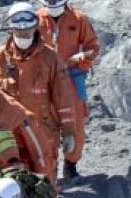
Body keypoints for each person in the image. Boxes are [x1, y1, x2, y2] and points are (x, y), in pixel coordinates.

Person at [0, 2, 77, 190]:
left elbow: (63, 97)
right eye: (19, 33)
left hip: (42, 133)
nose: (23, 36)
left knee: (44, 187)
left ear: (35, 28)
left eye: (27, 32)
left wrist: (68, 131)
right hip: (8, 137)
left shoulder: (50, 58)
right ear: (11, 31)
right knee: (7, 186)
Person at [37, 0, 100, 179]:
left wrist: (82, 57)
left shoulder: (78, 19)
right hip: (45, 80)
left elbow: (93, 47)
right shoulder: (35, 19)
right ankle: (50, 166)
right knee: (44, 122)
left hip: (72, 77)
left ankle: (71, 163)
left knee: (76, 122)